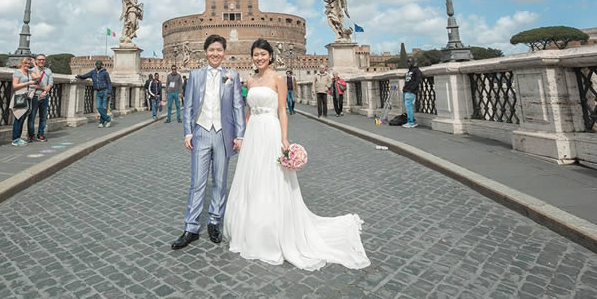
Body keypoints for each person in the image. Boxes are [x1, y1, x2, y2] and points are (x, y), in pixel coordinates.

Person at [224, 38, 371, 270]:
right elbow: (249, 111)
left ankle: (273, 231)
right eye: (256, 54)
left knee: (272, 179)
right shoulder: (250, 80)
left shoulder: (279, 78)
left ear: (271, 56)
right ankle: (251, 227)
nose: (259, 58)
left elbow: (282, 110)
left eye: (263, 54)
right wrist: (241, 135)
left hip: (270, 132)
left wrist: (284, 138)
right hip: (253, 134)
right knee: (251, 179)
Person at [171, 35, 246, 250]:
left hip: (224, 134)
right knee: (197, 182)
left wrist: (239, 135)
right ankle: (191, 227)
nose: (215, 53)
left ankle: (214, 222)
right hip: (201, 132)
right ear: (206, 52)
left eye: (219, 50)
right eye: (212, 50)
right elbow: (189, 106)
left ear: (224, 52)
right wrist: (187, 133)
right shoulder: (195, 75)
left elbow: (238, 106)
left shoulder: (232, 75)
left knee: (220, 182)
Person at [75, 60, 113, 128]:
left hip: (105, 91)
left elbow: (109, 83)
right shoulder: (93, 72)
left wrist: (109, 92)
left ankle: (101, 122)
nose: (98, 65)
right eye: (97, 64)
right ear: (95, 65)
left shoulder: (105, 73)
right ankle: (108, 119)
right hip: (98, 92)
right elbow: (85, 76)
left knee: (104, 108)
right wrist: (79, 76)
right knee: (98, 107)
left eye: (99, 64)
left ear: (101, 65)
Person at [9, 58, 36, 146]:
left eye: (29, 64)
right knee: (18, 118)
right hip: (20, 96)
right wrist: (28, 83)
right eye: (26, 63)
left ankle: (18, 138)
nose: (27, 65)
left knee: (22, 119)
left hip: (27, 96)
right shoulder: (18, 72)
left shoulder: (29, 72)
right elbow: (15, 85)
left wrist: (34, 64)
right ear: (21, 63)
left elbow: (38, 77)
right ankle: (15, 139)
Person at [28, 54, 53, 142]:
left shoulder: (48, 70)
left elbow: (50, 83)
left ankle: (40, 134)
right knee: (32, 117)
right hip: (34, 96)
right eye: (39, 60)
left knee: (43, 117)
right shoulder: (31, 70)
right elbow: (32, 84)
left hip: (45, 96)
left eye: (43, 60)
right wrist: (43, 88)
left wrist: (45, 92)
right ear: (35, 60)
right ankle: (31, 135)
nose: (41, 61)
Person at [402, 57, 423, 128]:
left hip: (411, 91)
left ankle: (411, 122)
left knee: (409, 107)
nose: (408, 63)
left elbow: (418, 81)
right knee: (407, 107)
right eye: (407, 62)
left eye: (410, 61)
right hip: (406, 91)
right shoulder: (408, 71)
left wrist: (411, 89)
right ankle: (412, 120)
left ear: (413, 62)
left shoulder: (417, 70)